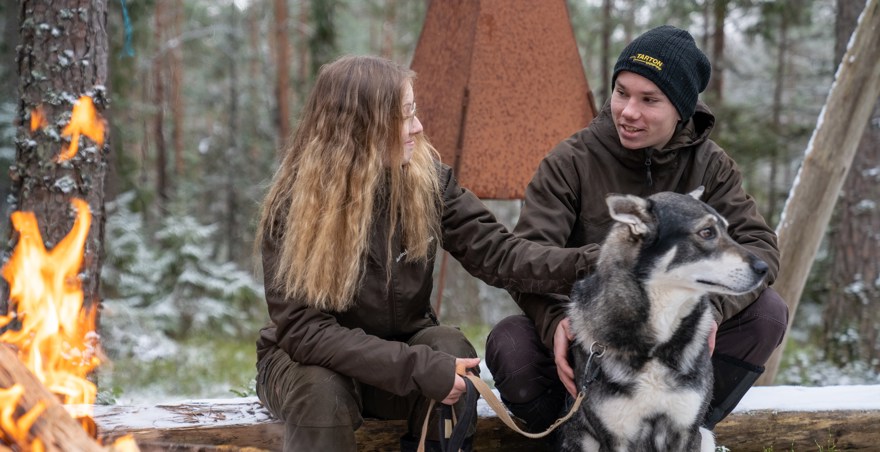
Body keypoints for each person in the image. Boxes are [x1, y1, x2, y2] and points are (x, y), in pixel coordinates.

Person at [254, 55, 593, 452]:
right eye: (403, 116)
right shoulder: (296, 205)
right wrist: (416, 367)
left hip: (398, 357)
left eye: (414, 112)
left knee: (450, 350)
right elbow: (304, 332)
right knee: (322, 392)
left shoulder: (426, 180)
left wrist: (596, 263)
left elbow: (502, 254)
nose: (417, 126)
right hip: (307, 366)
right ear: (360, 128)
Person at [485, 25, 790, 437]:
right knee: (510, 343)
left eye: (649, 100)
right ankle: (569, 435)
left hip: (679, 337)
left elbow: (761, 249)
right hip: (589, 341)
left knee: (768, 313)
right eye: (621, 92)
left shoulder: (710, 166)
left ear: (681, 109)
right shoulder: (570, 161)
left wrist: (711, 313)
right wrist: (554, 318)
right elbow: (527, 259)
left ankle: (686, 431)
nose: (628, 110)